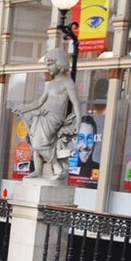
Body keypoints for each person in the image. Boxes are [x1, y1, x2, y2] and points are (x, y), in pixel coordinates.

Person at [13, 47, 81, 181]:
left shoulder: (68, 83)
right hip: (42, 115)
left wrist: (78, 121)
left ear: (59, 63)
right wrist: (23, 109)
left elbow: (76, 103)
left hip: (54, 117)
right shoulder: (51, 84)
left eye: (50, 64)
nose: (47, 67)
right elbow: (39, 102)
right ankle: (38, 170)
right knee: (34, 142)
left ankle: (57, 167)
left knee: (39, 144)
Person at [70, 115, 100, 179]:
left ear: (95, 142)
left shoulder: (100, 170)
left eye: (89, 138)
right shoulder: (64, 169)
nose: (85, 146)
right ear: (74, 141)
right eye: (81, 138)